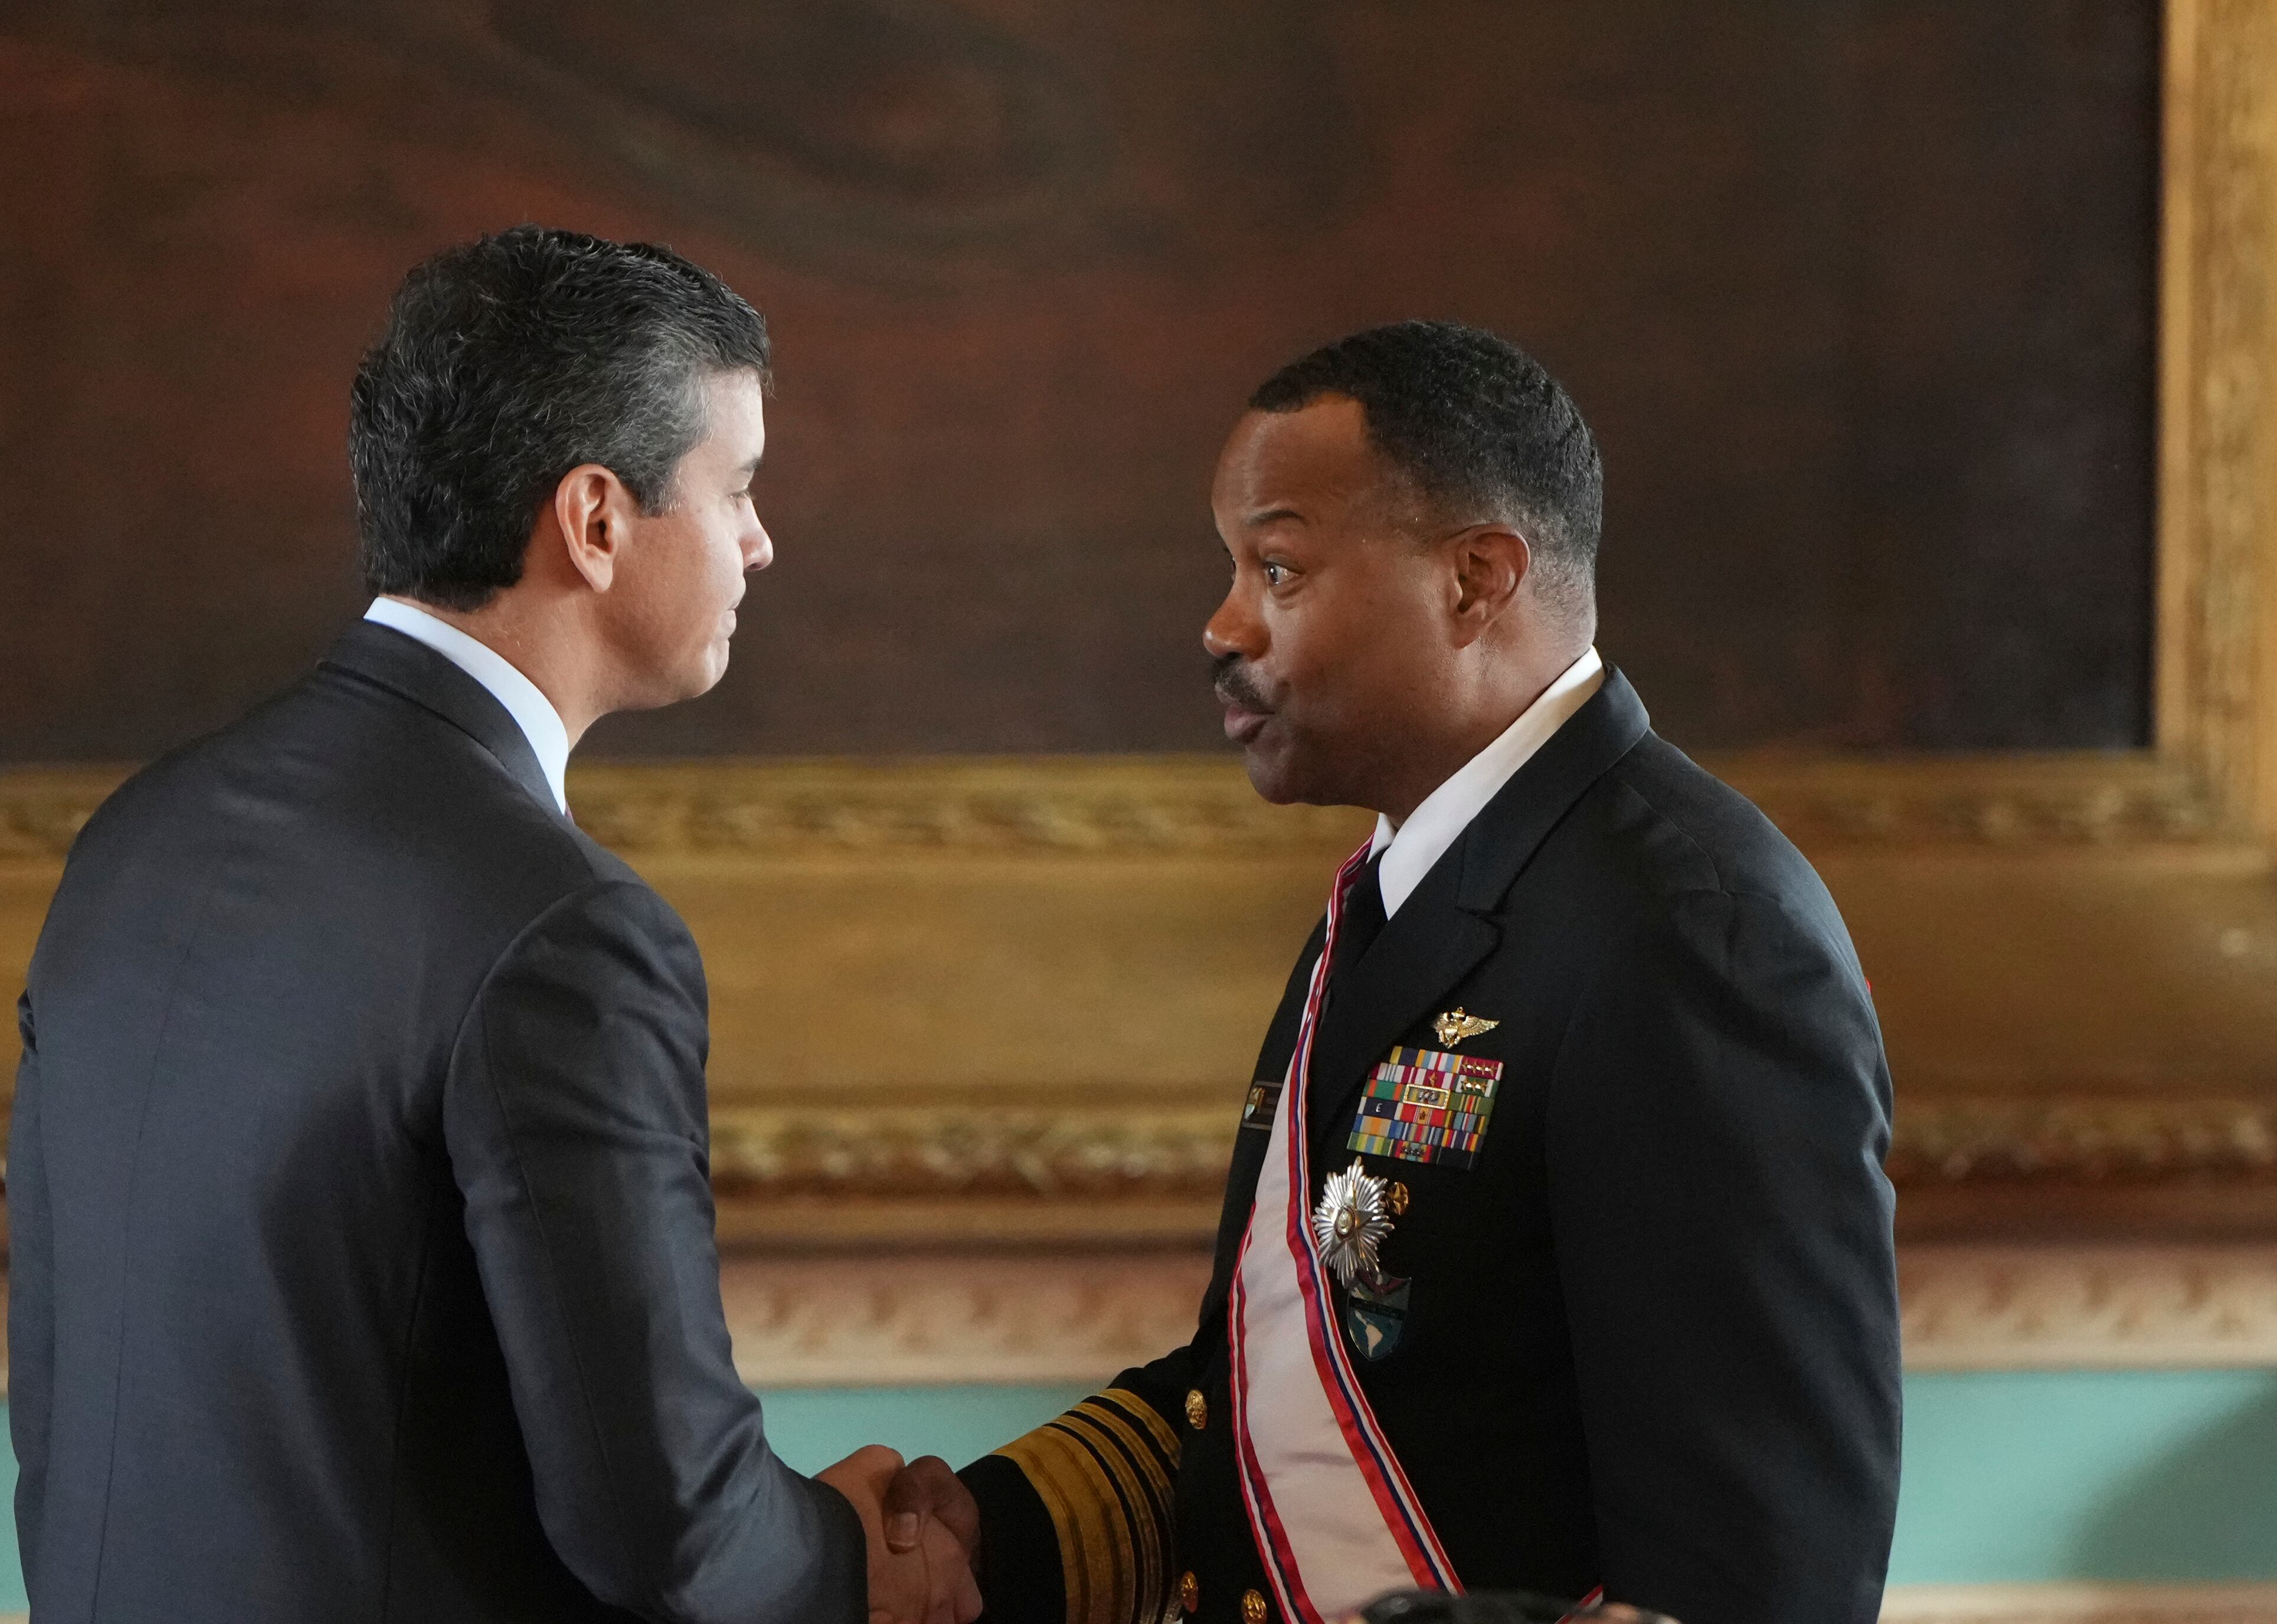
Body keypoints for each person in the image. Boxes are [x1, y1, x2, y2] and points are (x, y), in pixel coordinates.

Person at [8, 228, 977, 1624]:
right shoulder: (565, 931)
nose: (761, 541)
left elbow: (61, 1409)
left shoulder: (131, 837)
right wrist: (849, 1558)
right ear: (596, 521)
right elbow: (662, 1524)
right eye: (737, 489)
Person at [889, 323, 1902, 1624]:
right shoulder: (1403, 892)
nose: (1222, 624)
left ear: (1475, 580)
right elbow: (1281, 1388)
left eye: (1278, 567)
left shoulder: (1691, 934)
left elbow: (1759, 1568)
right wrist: (989, 1532)